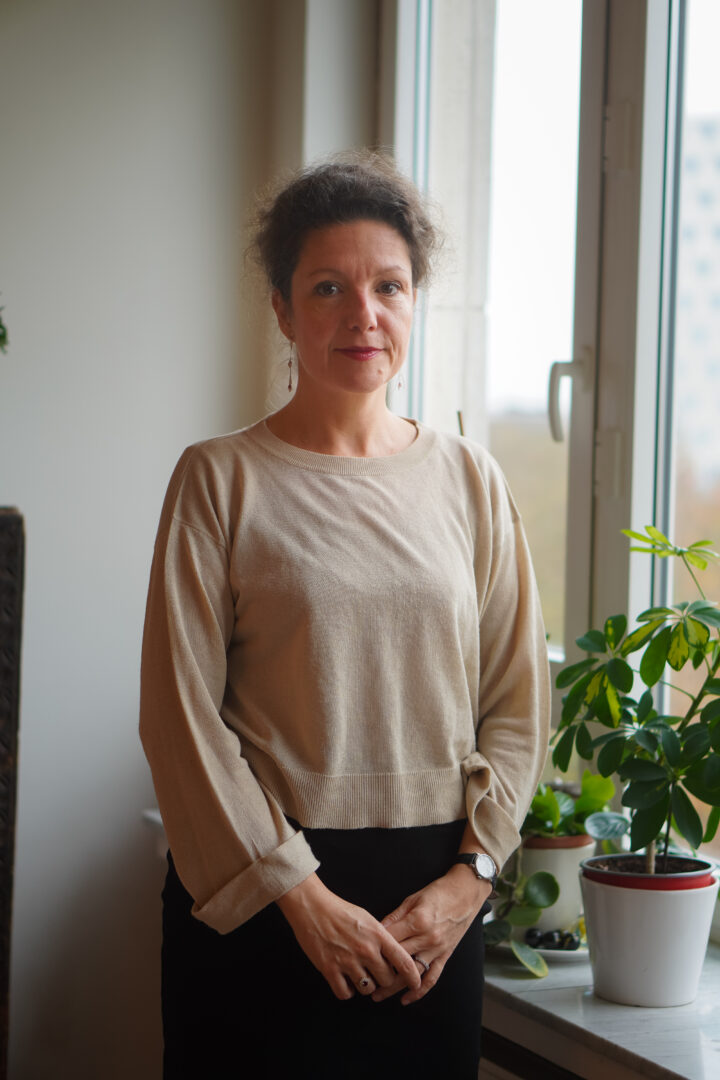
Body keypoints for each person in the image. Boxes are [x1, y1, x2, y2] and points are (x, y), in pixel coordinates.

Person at [140, 151, 550, 1080]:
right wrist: (299, 895)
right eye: (329, 287)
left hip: (432, 916)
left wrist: (471, 880)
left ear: (414, 303)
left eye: (388, 286)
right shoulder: (219, 479)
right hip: (261, 900)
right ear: (283, 310)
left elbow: (519, 704)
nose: (363, 314)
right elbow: (178, 719)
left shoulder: (472, 480)